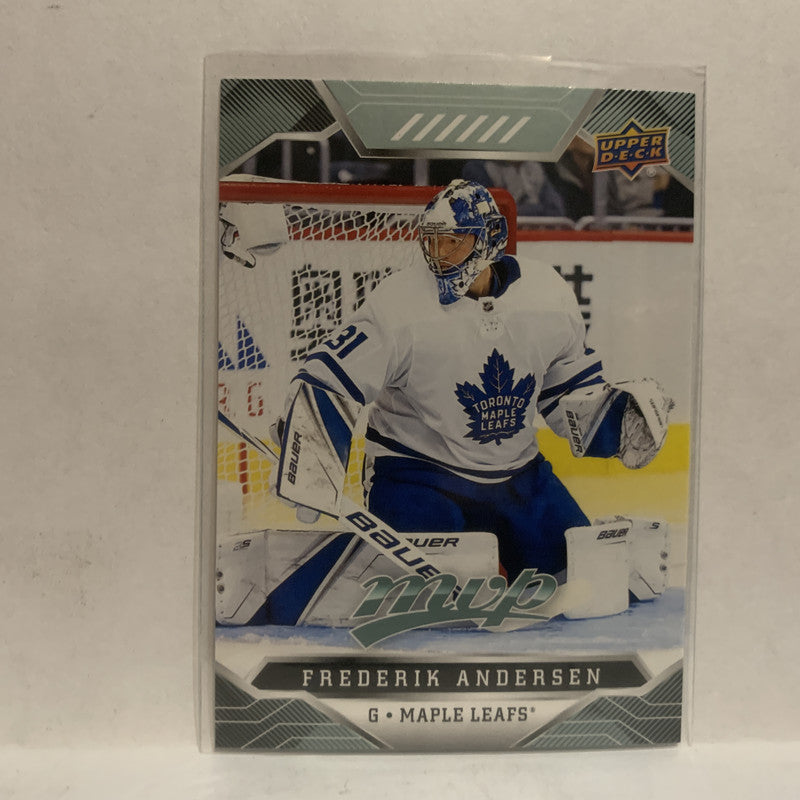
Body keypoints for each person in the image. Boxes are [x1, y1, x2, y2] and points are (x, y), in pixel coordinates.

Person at [277, 180, 670, 582]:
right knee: (424, 592)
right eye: (432, 241)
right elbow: (329, 377)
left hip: (518, 477)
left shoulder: (547, 295)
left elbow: (564, 392)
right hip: (417, 477)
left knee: (587, 579)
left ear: (490, 239)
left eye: (453, 242)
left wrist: (615, 421)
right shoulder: (398, 305)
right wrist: (309, 453)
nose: (439, 253)